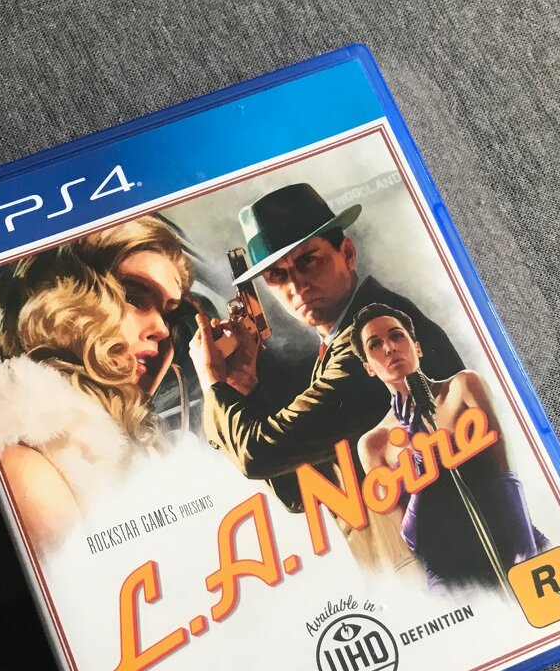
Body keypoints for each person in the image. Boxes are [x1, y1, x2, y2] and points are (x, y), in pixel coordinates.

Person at [188, 182, 463, 512]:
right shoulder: (342, 340)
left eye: (308, 261)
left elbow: (258, 456)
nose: (296, 286)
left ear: (347, 254)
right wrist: (245, 387)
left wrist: (212, 381)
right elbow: (304, 491)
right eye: (277, 275)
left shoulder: (368, 341)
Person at [0, 216, 193, 556]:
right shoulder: (27, 470)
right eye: (134, 297)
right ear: (59, 299)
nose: (161, 328)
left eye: (169, 314)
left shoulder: (119, 452)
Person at [353, 302, 543, 590]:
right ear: (368, 367)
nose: (389, 348)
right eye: (375, 345)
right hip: (451, 575)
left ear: (417, 347)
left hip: (513, 541)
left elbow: (505, 475)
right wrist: (418, 457)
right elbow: (411, 538)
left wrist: (526, 555)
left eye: (396, 336)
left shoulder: (464, 386)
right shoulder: (374, 444)